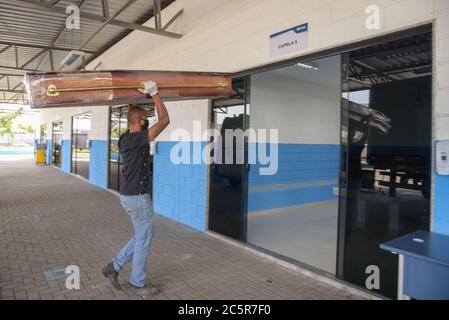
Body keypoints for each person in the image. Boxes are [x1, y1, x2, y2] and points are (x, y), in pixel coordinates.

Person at [102, 81, 170, 295]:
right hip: (138, 198)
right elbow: (165, 120)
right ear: (140, 122)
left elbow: (133, 114)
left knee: (142, 235)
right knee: (144, 238)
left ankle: (113, 267)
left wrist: (134, 95)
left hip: (128, 196)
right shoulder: (139, 139)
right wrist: (155, 94)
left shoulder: (124, 138)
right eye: (145, 119)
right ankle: (137, 283)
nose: (147, 121)